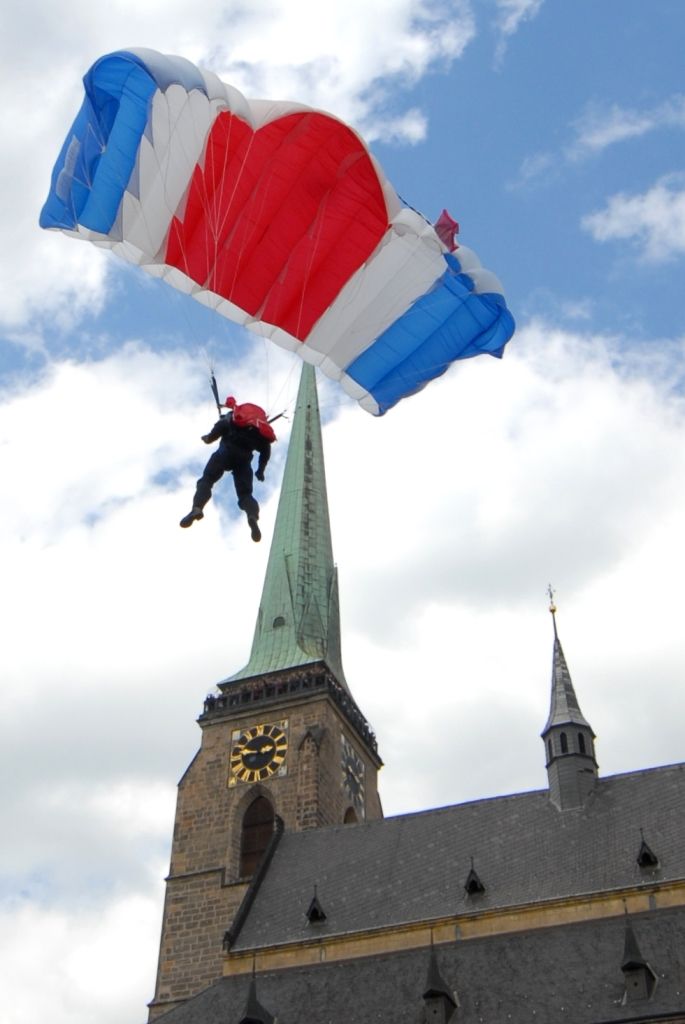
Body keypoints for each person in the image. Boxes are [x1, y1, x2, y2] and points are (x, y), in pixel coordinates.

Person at [179, 397, 272, 541]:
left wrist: (208, 438)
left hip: (225, 455)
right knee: (246, 495)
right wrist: (260, 470)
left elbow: (218, 429)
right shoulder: (258, 431)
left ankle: (197, 508)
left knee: (207, 480)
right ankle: (252, 516)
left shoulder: (230, 420)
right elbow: (266, 451)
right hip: (243, 462)